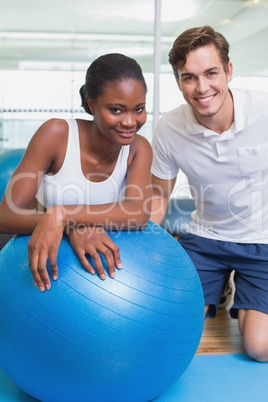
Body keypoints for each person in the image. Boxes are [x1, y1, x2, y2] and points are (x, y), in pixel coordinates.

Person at [150, 25, 268, 362]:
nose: (202, 88)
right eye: (189, 77)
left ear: (228, 72)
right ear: (178, 82)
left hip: (263, 241)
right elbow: (157, 198)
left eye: (211, 73)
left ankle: (237, 291)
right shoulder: (170, 128)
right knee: (174, 332)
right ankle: (218, 286)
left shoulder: (264, 111)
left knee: (259, 347)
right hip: (205, 240)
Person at [0, 53, 152, 292]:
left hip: (88, 274)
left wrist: (62, 215)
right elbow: (6, 215)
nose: (130, 122)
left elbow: (138, 213)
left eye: (139, 109)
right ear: (92, 104)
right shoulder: (56, 134)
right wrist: (71, 225)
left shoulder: (138, 148)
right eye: (116, 110)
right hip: (21, 251)